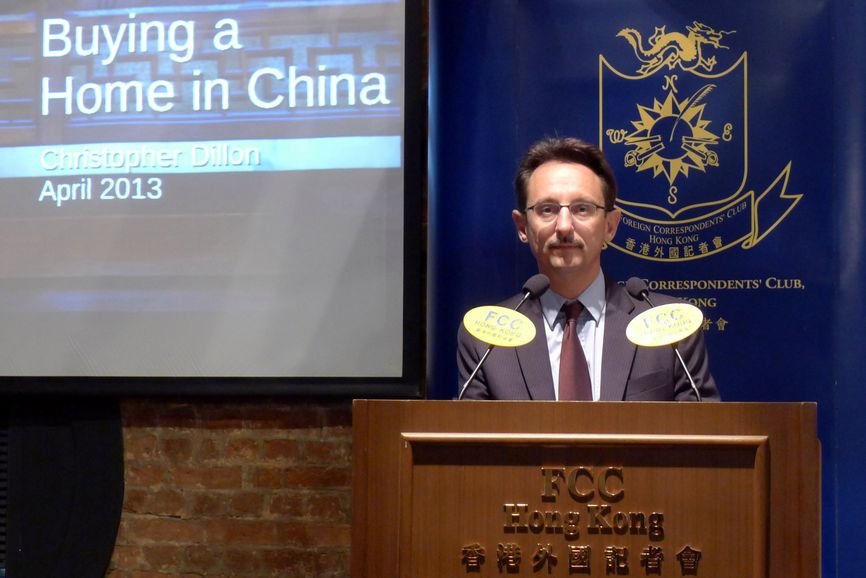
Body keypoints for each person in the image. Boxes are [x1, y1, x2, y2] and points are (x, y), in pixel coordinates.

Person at [457, 137, 719, 401]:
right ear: (523, 227)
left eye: (582, 209)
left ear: (610, 226)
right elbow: (472, 439)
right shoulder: (487, 340)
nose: (564, 227)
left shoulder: (671, 332)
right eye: (546, 209)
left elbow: (702, 435)